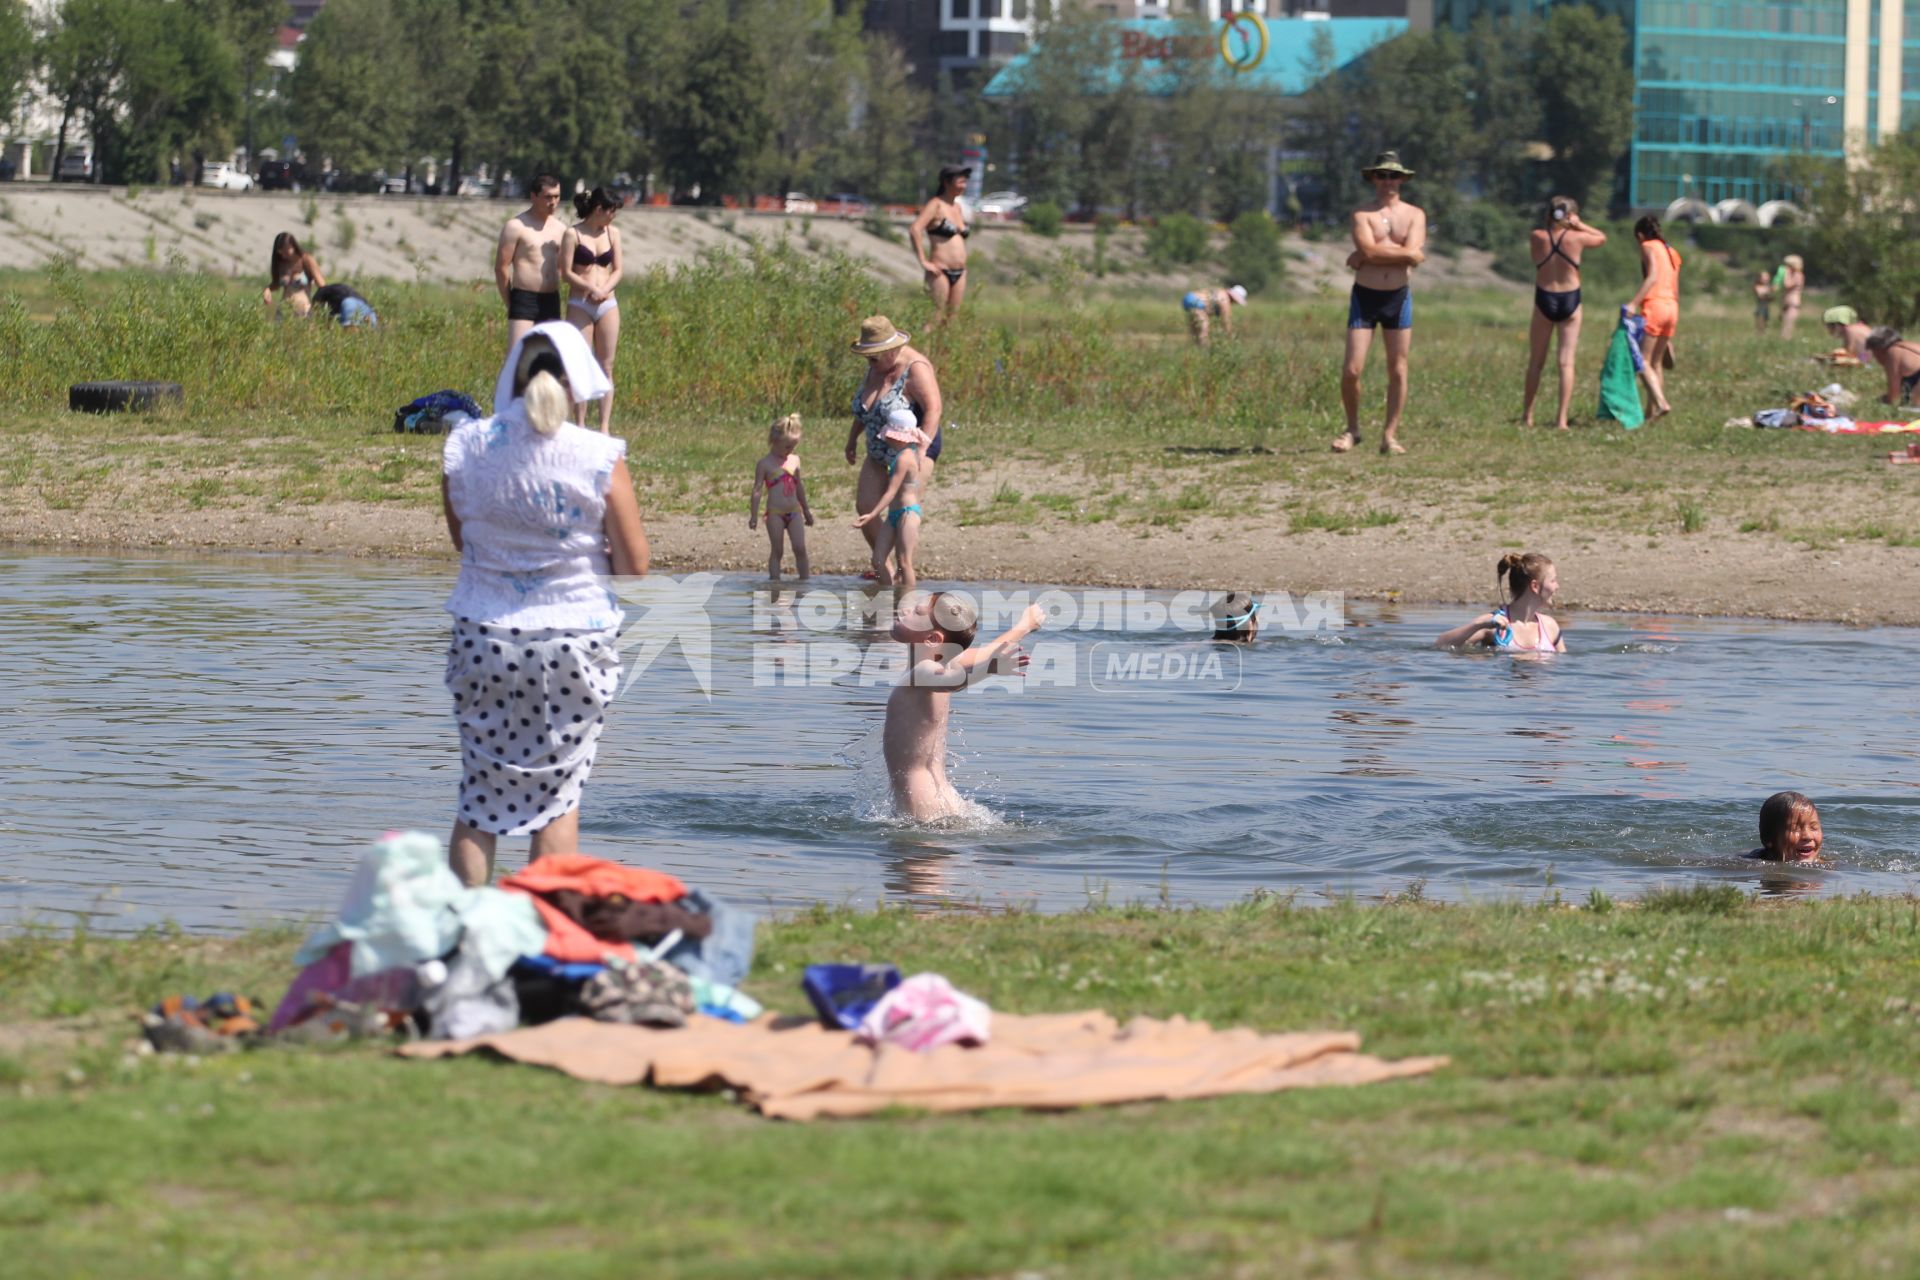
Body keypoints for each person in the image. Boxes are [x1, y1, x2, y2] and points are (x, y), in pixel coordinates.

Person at [439, 322, 647, 886]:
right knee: (558, 797)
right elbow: (635, 566)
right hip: (572, 639)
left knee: (479, 794)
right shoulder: (599, 454)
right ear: (578, 380)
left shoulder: (465, 445)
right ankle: (542, 941)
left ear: (515, 372)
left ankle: (465, 931)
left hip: (483, 633)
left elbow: (466, 541)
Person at [883, 592, 1046, 820]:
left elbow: (949, 682)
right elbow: (989, 651)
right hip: (946, 796)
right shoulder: (946, 661)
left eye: (917, 612)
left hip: (920, 802)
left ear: (932, 639)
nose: (905, 610)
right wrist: (1025, 625)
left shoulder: (923, 671)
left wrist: (987, 670)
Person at [1334, 151, 1427, 456]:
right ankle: (1352, 428)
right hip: (1365, 296)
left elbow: (1413, 253)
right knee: (1351, 369)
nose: (1388, 182)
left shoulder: (1415, 214)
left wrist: (1371, 253)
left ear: (1402, 179)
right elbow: (1386, 252)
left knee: (1398, 369)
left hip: (1397, 297)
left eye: (1394, 176)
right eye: (1382, 176)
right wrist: (1386, 252)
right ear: (1373, 178)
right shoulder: (1362, 214)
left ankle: (1389, 434)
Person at [846, 316, 944, 563]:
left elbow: (934, 409)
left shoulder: (916, 368)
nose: (868, 361)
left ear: (890, 351)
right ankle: (884, 567)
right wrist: (852, 439)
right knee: (866, 508)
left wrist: (921, 450)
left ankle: (905, 568)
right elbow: (869, 408)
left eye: (873, 356)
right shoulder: (876, 366)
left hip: (911, 451)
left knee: (901, 512)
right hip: (878, 449)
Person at [1521, 196, 1607, 431]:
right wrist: (1580, 226)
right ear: (1571, 215)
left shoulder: (1537, 237)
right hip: (1570, 299)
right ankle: (1561, 420)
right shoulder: (1577, 238)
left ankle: (1527, 415)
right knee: (1566, 363)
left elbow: (1535, 258)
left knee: (1536, 363)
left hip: (1544, 297)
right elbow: (1601, 238)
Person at [558, 186, 623, 433]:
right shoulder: (572, 235)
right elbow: (566, 273)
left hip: (607, 302)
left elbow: (618, 269)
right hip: (581, 303)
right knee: (580, 364)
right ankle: (581, 424)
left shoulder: (613, 234)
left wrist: (605, 288)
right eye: (611, 211)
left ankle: (604, 426)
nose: (613, 216)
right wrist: (589, 287)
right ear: (598, 209)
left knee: (606, 366)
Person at [1434, 552, 1566, 654]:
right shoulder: (1493, 623)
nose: (1558, 586)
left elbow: (1564, 666)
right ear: (1535, 586)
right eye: (1553, 581)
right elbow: (1440, 644)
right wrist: (1478, 625)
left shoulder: (1550, 626)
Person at [853, 409, 928, 587]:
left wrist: (871, 515)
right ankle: (890, 599)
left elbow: (891, 491)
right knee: (878, 559)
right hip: (894, 514)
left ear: (896, 436)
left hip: (907, 513)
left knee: (904, 562)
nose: (886, 438)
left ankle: (908, 607)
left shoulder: (905, 458)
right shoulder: (907, 453)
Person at [495, 175, 567, 352]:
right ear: (534, 196)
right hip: (524, 298)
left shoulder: (561, 229)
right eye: (548, 197)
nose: (553, 202)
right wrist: (511, 303)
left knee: (549, 359)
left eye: (556, 197)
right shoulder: (516, 226)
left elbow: (565, 267)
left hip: (551, 298)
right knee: (518, 357)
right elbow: (501, 267)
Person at [1624, 215, 1681, 421]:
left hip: (1655, 305)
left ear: (1640, 235)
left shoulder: (1648, 246)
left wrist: (1633, 303)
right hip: (1672, 307)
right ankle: (1650, 414)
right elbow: (1674, 285)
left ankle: (1661, 402)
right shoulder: (1671, 251)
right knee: (1656, 363)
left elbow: (1652, 276)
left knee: (1642, 361)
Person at [749, 413, 813, 581]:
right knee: (777, 550)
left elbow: (799, 485)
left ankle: (805, 581)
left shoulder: (794, 460)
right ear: (774, 441)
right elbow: (757, 490)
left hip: (794, 511)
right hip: (775, 513)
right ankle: (775, 583)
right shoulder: (765, 464)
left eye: (793, 446)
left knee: (800, 548)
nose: (790, 451)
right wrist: (754, 515)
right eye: (787, 447)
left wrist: (806, 510)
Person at [909, 166, 972, 324]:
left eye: (966, 182)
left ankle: (944, 350)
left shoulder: (957, 207)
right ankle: (926, 350)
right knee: (934, 317)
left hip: (960, 271)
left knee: (952, 319)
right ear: (947, 182)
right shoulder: (936, 204)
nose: (964, 185)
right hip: (940, 271)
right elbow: (915, 229)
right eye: (961, 181)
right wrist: (923, 261)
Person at [1745, 791, 1823, 863]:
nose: (1808, 836)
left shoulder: (1827, 865)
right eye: (1795, 829)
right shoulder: (1749, 865)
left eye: (1813, 828)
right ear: (1768, 838)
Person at [263, 232, 324, 315]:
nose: (283, 254)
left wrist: (318, 307)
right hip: (285, 310)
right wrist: (267, 290)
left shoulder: (306, 260)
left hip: (304, 310)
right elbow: (276, 284)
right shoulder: (282, 264)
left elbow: (322, 285)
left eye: (286, 250)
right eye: (280, 251)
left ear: (293, 246)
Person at [1865, 327, 1920, 405]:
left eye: (1874, 352)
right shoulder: (1908, 346)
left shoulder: (1893, 352)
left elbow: (1894, 397)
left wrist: (1880, 400)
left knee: (1910, 403)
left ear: (1878, 349)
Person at [1182, 285, 1248, 346]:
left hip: (1189, 297)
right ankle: (1204, 351)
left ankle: (1196, 349)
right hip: (1196, 301)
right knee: (1204, 328)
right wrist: (1230, 338)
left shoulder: (1221, 292)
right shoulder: (1225, 300)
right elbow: (1226, 322)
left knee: (1195, 331)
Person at [311, 283, 377, 328]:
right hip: (367, 309)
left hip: (350, 304)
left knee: (350, 333)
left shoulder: (348, 303)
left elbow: (350, 333)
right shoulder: (334, 294)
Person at [1774, 254, 1805, 340]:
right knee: (1784, 324)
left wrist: (1786, 274)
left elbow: (1787, 285)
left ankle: (1785, 341)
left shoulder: (1798, 275)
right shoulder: (1791, 274)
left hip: (1793, 303)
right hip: (1785, 302)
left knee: (1788, 326)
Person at [1752, 271, 1773, 335]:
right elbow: (1760, 295)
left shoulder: (1768, 286)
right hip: (1760, 307)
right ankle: (1760, 335)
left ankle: (1763, 335)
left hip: (1766, 307)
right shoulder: (1758, 286)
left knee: (1765, 323)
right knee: (1760, 323)